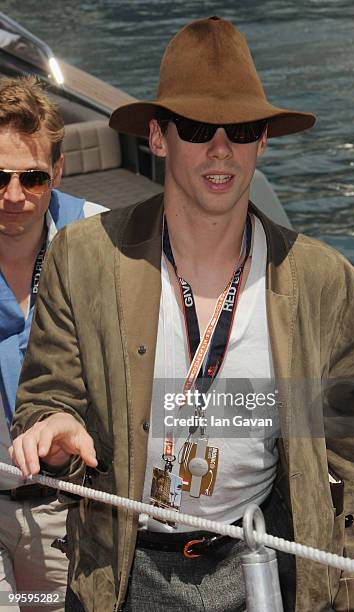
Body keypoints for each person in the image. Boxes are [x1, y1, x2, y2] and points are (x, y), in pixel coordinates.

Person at [9, 17, 354, 612]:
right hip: (122, 568)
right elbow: (45, 395)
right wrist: (52, 424)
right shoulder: (80, 260)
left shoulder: (329, 286)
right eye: (195, 128)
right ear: (157, 138)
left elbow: (350, 466)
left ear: (263, 140)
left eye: (240, 129)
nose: (220, 148)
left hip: (265, 561)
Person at [0, 76, 107, 610]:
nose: (14, 196)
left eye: (34, 178)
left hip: (72, 508)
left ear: (58, 172)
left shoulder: (105, 243)